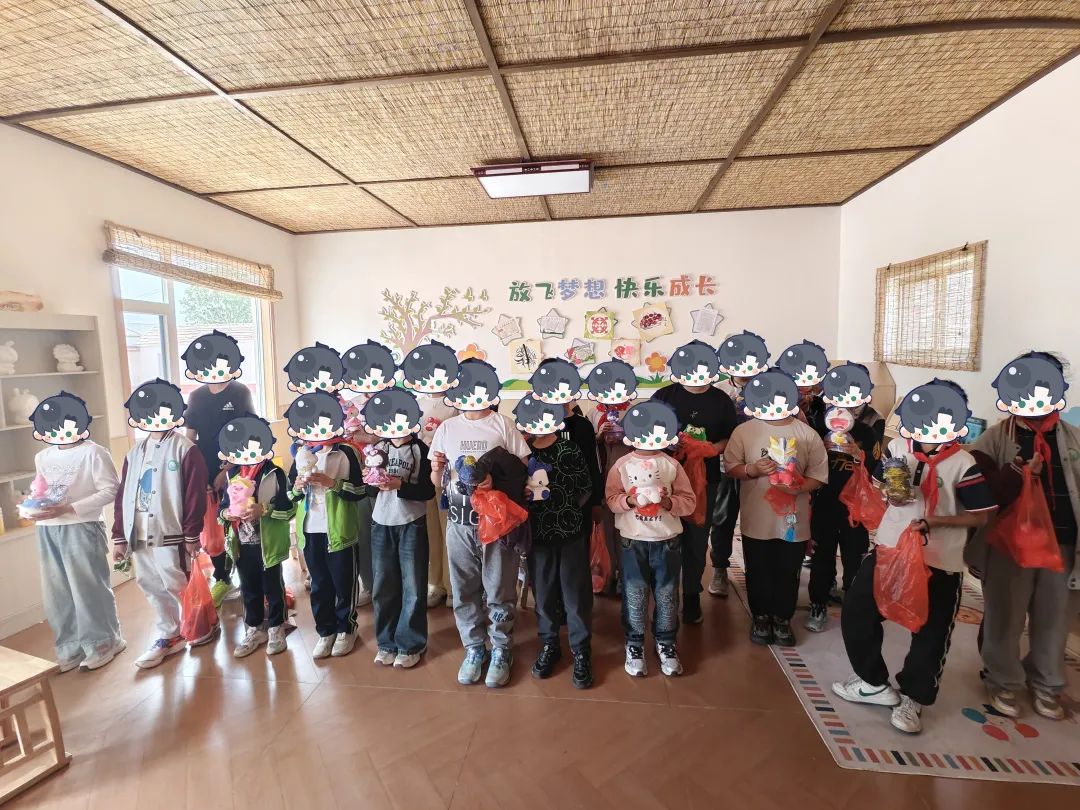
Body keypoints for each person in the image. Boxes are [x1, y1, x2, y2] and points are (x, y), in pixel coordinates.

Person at [833, 380, 996, 734]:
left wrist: (936, 521)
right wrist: (889, 493)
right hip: (890, 548)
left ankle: (914, 697)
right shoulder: (898, 447)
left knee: (932, 631)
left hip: (941, 559)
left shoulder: (963, 463)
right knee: (858, 610)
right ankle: (873, 683)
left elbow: (981, 516)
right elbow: (881, 485)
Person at [970, 352, 1078, 721]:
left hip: (1063, 544)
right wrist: (1018, 472)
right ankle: (1003, 679)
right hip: (1010, 545)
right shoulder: (993, 439)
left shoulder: (1074, 438)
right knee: (1006, 614)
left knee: (1054, 617)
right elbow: (982, 494)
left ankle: (1047, 681)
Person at [428, 359, 530, 688]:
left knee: (500, 588)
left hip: (496, 524)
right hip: (459, 522)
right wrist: (437, 470)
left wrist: (494, 481)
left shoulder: (503, 424)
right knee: (464, 589)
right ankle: (474, 648)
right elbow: (436, 481)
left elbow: (522, 470)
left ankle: (501, 648)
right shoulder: (447, 428)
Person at [723, 370, 828, 648]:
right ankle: (760, 617)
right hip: (756, 516)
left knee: (789, 569)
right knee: (757, 568)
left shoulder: (806, 433)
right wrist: (753, 469)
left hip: (794, 519)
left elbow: (819, 474)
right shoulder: (745, 431)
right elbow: (731, 467)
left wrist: (799, 487)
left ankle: (782, 619)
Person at [112, 379, 211, 669]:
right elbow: (124, 494)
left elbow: (195, 494)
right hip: (139, 530)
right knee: (149, 582)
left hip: (171, 530)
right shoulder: (134, 452)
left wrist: (191, 533)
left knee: (176, 580)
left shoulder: (185, 449)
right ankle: (170, 633)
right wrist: (119, 536)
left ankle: (199, 624)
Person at [27, 393, 124, 671]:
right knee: (57, 593)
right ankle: (70, 647)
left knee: (88, 588)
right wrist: (33, 503)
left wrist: (69, 508)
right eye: (49, 428)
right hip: (47, 529)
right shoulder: (43, 456)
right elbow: (42, 489)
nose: (57, 432)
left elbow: (111, 490)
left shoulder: (94, 452)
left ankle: (105, 642)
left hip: (83, 526)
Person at [605, 401, 696, 678]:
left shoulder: (671, 464)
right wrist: (630, 500)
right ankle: (634, 644)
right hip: (633, 541)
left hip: (667, 540)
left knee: (667, 594)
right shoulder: (622, 464)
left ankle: (666, 642)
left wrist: (668, 502)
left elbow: (689, 502)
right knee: (635, 594)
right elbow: (611, 499)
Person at [652, 341, 736, 624]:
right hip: (665, 480)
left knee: (696, 540)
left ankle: (691, 595)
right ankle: (665, 596)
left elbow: (729, 438)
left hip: (705, 481)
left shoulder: (721, 400)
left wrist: (711, 449)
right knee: (666, 539)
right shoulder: (664, 396)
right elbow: (649, 434)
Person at [516, 392, 595, 688]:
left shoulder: (569, 448)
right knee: (544, 594)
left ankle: (581, 650)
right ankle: (550, 644)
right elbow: (514, 490)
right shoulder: (523, 453)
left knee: (575, 595)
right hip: (537, 537)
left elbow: (585, 486)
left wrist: (567, 509)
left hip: (570, 534)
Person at [805, 363, 885, 633]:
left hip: (855, 504)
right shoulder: (820, 419)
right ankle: (818, 603)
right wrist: (821, 448)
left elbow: (876, 463)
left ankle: (853, 605)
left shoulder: (869, 425)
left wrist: (857, 453)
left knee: (854, 555)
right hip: (824, 498)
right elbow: (806, 458)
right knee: (822, 555)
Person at [286, 391, 366, 660]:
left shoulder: (346, 452)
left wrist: (333, 484)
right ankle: (326, 631)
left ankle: (346, 628)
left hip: (340, 530)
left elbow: (360, 491)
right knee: (319, 584)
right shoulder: (301, 452)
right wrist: (298, 487)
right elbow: (291, 495)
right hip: (310, 530)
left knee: (344, 583)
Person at [362, 390, 436, 669]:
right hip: (381, 522)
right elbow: (368, 488)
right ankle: (386, 643)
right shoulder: (377, 448)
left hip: (411, 523)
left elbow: (428, 491)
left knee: (413, 585)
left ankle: (411, 643)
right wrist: (373, 482)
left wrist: (400, 485)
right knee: (383, 585)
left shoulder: (420, 450)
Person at [181, 330, 255, 607]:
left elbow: (250, 432)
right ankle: (222, 578)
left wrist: (227, 470)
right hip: (205, 469)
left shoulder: (240, 391)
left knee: (240, 521)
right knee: (212, 530)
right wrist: (197, 474)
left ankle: (251, 579)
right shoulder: (196, 396)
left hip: (238, 468)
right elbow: (190, 438)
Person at [217, 416, 295, 658]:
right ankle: (254, 629)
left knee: (273, 587)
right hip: (241, 543)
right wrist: (227, 514)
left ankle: (276, 627)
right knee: (248, 587)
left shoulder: (274, 473)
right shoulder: (233, 474)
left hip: (268, 543)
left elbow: (289, 508)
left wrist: (265, 509)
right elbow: (223, 508)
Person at [398, 341, 460, 609]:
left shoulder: (455, 402)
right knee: (430, 529)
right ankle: (436, 584)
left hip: (449, 472)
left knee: (449, 528)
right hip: (421, 471)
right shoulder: (415, 403)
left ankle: (453, 584)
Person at [712, 331, 771, 596]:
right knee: (722, 517)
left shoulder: (770, 386)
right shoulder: (718, 391)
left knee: (758, 517)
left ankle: (757, 570)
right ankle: (719, 569)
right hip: (726, 463)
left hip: (763, 464)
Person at [586, 360, 639, 594]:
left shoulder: (634, 411)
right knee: (606, 528)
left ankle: (627, 577)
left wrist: (626, 436)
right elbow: (587, 446)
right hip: (603, 476)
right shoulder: (593, 412)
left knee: (627, 527)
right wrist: (598, 436)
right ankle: (608, 574)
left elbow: (643, 442)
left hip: (629, 477)